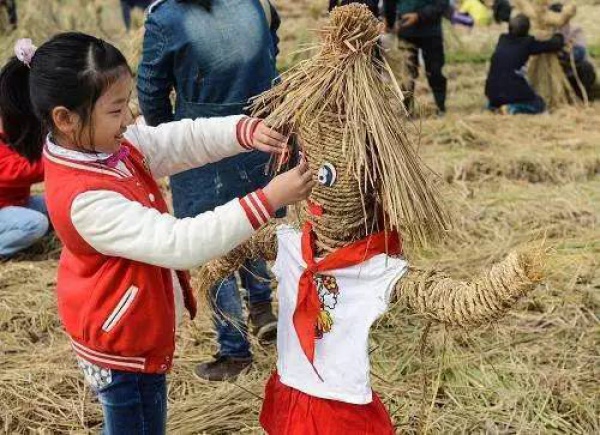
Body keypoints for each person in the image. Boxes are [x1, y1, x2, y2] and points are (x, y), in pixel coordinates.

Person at [1, 33, 314, 434]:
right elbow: (181, 243)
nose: (130, 117)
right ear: (65, 118)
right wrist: (268, 198)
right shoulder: (86, 199)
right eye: (116, 109)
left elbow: (175, 140)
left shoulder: (104, 145)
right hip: (122, 350)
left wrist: (243, 132)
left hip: (132, 331)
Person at [138, 0, 285, 381]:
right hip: (260, 129)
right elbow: (272, 51)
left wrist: (170, 137)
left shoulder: (167, 17)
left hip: (200, 140)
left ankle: (234, 350)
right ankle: (262, 308)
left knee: (210, 241)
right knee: (252, 217)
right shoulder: (255, 3)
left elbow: (151, 90)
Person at [485, 14, 564, 114]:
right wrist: (558, 34)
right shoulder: (527, 43)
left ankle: (491, 107)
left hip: (491, 90)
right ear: (527, 30)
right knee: (539, 105)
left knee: (498, 98)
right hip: (512, 89)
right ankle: (512, 108)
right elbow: (553, 45)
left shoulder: (502, 40)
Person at [384, 0, 449, 115]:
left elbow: (442, 4)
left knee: (435, 70)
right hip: (406, 32)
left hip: (431, 32)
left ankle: (440, 107)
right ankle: (406, 109)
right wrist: (389, 23)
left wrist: (419, 16)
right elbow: (389, 3)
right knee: (406, 73)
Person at [0, 121, 47, 258]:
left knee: (57, 203)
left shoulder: (10, 137)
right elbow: (17, 172)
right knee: (35, 224)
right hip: (3, 207)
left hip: (15, 201)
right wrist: (54, 159)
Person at [549, 3, 597, 100]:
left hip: (573, 71)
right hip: (554, 74)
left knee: (586, 67)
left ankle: (584, 96)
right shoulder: (546, 32)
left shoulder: (575, 30)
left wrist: (564, 54)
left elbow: (580, 52)